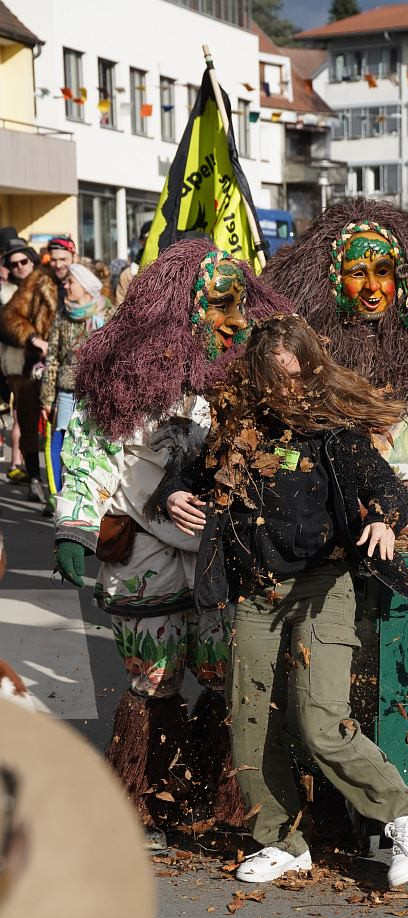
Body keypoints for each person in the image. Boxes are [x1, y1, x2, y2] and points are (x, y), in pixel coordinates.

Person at [165, 314, 408, 885]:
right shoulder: (234, 432)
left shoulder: (334, 433)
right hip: (254, 595)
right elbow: (187, 475)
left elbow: (388, 490)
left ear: (311, 373)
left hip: (322, 589)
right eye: (272, 380)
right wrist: (174, 495)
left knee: (320, 721)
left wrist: (388, 523)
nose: (284, 392)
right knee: (249, 721)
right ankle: (281, 841)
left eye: (294, 379)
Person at [54, 238, 292, 844]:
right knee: (155, 677)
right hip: (145, 553)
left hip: (221, 550)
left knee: (223, 675)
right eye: (219, 306)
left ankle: (219, 805)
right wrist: (75, 526)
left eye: (238, 305)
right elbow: (90, 455)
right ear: (180, 310)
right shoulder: (123, 375)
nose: (234, 320)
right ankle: (144, 805)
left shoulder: (250, 371)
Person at [262, 198, 408, 508]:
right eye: (358, 273)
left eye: (382, 271)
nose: (372, 287)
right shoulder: (308, 347)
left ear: (399, 276)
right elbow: (283, 423)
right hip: (334, 503)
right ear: (335, 280)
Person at [0, 236, 75, 501]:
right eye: (52, 259)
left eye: (62, 259)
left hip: (74, 368)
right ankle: (34, 476)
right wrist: (34, 339)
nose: (57, 265)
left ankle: (67, 487)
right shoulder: (37, 281)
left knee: (68, 428)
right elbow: (8, 317)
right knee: (31, 422)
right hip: (36, 366)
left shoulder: (83, 279)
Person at [40, 264, 112, 506]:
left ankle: (87, 495)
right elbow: (52, 358)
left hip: (94, 394)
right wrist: (47, 399)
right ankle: (58, 495)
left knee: (89, 444)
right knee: (60, 443)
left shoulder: (107, 315)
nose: (66, 285)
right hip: (66, 394)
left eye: (71, 282)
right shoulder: (62, 316)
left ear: (85, 286)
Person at [1, 238, 40, 481]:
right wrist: (34, 339)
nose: (20, 267)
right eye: (14, 264)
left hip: (52, 365)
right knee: (26, 421)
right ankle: (34, 476)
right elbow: (5, 330)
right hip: (19, 367)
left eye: (24, 261)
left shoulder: (49, 286)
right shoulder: (5, 294)